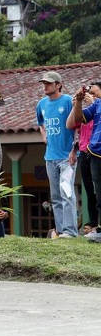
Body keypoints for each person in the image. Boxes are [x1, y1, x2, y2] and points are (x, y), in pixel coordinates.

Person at [36, 71, 78, 238]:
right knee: (55, 197)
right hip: (50, 158)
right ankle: (61, 231)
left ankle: (71, 231)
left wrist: (74, 150)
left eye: (49, 83)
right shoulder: (41, 104)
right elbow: (40, 122)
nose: (45, 86)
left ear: (58, 85)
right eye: (44, 83)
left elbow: (78, 126)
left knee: (67, 193)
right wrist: (44, 135)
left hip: (67, 158)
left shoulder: (68, 101)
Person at [66, 82, 101, 234]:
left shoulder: (96, 103)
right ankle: (96, 225)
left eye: (94, 92)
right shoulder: (95, 105)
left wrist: (93, 101)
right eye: (89, 92)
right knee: (95, 190)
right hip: (92, 151)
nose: (91, 95)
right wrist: (78, 103)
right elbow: (75, 121)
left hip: (92, 151)